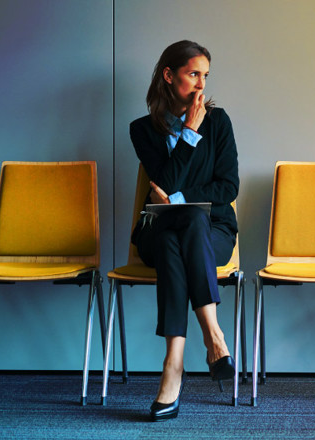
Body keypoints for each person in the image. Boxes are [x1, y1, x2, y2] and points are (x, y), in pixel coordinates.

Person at [130, 40, 239, 421]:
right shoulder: (143, 130)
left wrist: (176, 199)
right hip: (156, 232)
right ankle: (214, 336)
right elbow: (164, 178)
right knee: (179, 228)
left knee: (189, 222)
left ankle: (173, 364)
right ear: (169, 75)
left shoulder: (220, 121)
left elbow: (228, 188)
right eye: (194, 74)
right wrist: (190, 133)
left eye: (205, 76)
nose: (200, 85)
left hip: (213, 234)